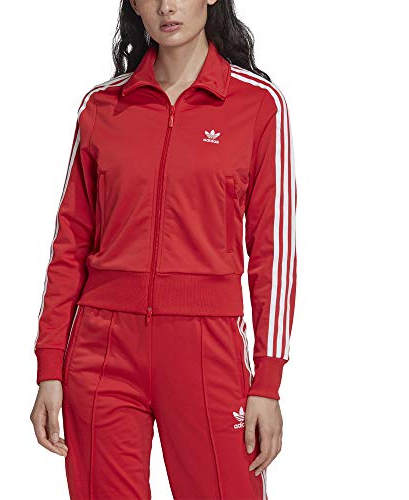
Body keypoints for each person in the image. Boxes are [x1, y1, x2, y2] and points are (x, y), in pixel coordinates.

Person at [30, 1, 297, 498]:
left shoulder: (258, 105)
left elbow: (273, 251)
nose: (167, 6)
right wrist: (50, 365)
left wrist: (268, 380)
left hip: (206, 348)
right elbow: (69, 244)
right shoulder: (102, 108)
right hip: (102, 349)